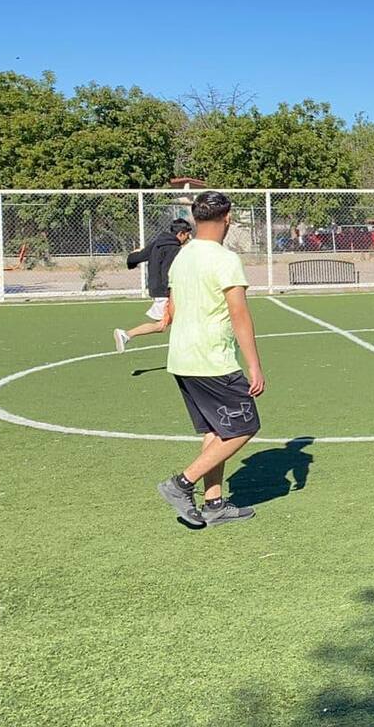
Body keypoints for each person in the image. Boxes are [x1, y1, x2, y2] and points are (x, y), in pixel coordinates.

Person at [156, 191, 265, 527]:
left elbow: (170, 309)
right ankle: (181, 484)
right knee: (245, 427)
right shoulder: (224, 259)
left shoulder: (182, 256)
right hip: (212, 360)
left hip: (181, 358)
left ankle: (214, 503)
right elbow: (239, 314)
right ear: (227, 218)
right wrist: (254, 365)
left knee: (215, 431)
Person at [113, 218, 192, 352]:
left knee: (170, 321)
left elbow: (137, 257)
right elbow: (168, 271)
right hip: (165, 292)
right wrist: (171, 291)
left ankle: (126, 335)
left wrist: (132, 257)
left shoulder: (158, 243)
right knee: (163, 325)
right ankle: (126, 335)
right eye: (187, 235)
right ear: (181, 234)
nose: (189, 238)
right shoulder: (174, 249)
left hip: (156, 289)